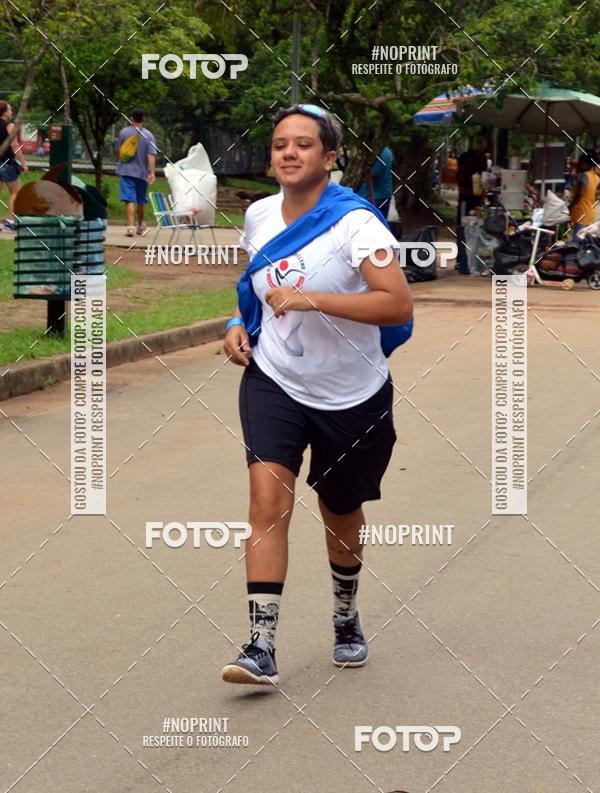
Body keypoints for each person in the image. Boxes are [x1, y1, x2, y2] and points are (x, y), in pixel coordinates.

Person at [220, 103, 413, 685]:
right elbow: (258, 286)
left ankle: (346, 615)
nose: (289, 152)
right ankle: (261, 644)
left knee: (340, 510)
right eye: (280, 143)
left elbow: (397, 304)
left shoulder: (358, 225)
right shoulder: (257, 215)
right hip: (275, 380)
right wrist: (237, 323)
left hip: (353, 393)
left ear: (329, 159)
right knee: (266, 501)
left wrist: (311, 300)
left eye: (304, 144)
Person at [115, 108, 157, 237]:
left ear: (131, 118)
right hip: (142, 173)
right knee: (141, 200)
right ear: (143, 119)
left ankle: (130, 227)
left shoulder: (123, 133)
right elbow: (151, 155)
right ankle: (140, 225)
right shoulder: (149, 135)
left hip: (126, 171)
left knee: (129, 200)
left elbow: (118, 151)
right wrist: (152, 172)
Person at [455, 136, 487, 274]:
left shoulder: (483, 158)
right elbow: (460, 176)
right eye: (477, 142)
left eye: (481, 143)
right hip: (466, 196)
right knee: (463, 226)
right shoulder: (465, 158)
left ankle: (472, 259)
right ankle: (461, 259)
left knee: (475, 227)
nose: (479, 146)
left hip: (477, 197)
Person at [0, 101, 28, 231]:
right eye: (10, 110)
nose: (11, 113)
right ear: (4, 112)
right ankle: (10, 221)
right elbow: (15, 145)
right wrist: (24, 164)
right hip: (7, 163)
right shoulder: (9, 126)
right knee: (15, 192)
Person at [357, 142, 394, 219]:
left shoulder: (380, 153)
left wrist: (372, 200)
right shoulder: (388, 151)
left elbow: (370, 176)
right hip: (385, 194)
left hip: (374, 197)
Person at [569, 153, 599, 239]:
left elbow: (580, 194)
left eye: (581, 162)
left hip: (581, 212)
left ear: (587, 163)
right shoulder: (596, 177)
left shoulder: (583, 175)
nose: (579, 164)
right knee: (585, 239)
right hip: (590, 212)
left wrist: (570, 206)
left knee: (577, 240)